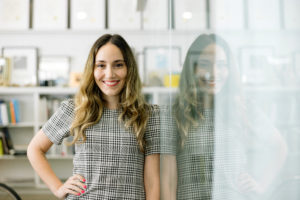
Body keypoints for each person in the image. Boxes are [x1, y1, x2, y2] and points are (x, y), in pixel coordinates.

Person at [27, 34, 160, 199]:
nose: (109, 74)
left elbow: (152, 181)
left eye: (118, 65)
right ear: (92, 70)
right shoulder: (74, 109)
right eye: (101, 65)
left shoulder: (149, 115)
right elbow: (34, 149)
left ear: (129, 69)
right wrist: (58, 188)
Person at [160, 34, 287, 200]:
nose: (214, 72)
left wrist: (261, 185)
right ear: (193, 69)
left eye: (221, 65)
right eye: (205, 65)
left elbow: (279, 147)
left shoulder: (243, 107)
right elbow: (168, 179)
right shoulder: (175, 113)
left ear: (229, 69)